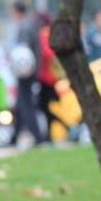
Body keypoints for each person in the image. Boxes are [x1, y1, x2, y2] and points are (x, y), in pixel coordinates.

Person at [8, 1, 46, 147]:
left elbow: (23, 52)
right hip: (31, 70)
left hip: (26, 71)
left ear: (16, 11)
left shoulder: (24, 26)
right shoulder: (31, 24)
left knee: (25, 104)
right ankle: (14, 138)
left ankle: (37, 136)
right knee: (20, 103)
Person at [35, 11, 69, 141]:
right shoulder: (51, 32)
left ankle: (65, 126)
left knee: (43, 107)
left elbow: (47, 53)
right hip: (50, 77)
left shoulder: (44, 34)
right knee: (46, 107)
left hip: (46, 77)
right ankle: (49, 135)